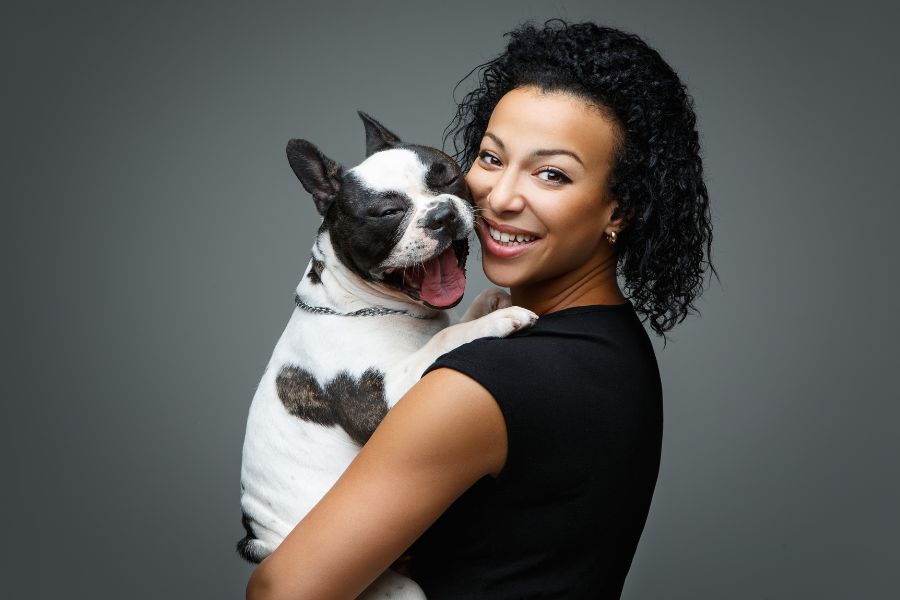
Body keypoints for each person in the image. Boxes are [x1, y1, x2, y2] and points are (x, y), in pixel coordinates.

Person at [246, 19, 715, 600]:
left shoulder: (481, 383)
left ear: (619, 211)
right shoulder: (612, 347)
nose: (501, 197)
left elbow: (280, 592)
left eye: (552, 173)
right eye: (491, 159)